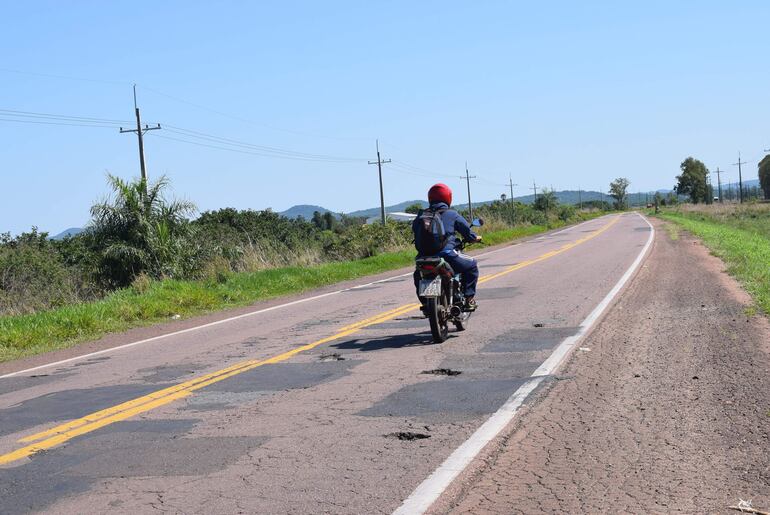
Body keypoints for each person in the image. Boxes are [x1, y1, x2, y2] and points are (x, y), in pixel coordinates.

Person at [412, 183, 482, 311]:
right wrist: (476, 238)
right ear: (448, 198)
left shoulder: (421, 216)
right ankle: (468, 299)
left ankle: (427, 303)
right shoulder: (452, 214)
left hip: (423, 257)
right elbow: (468, 234)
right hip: (447, 254)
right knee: (472, 265)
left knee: (418, 274)